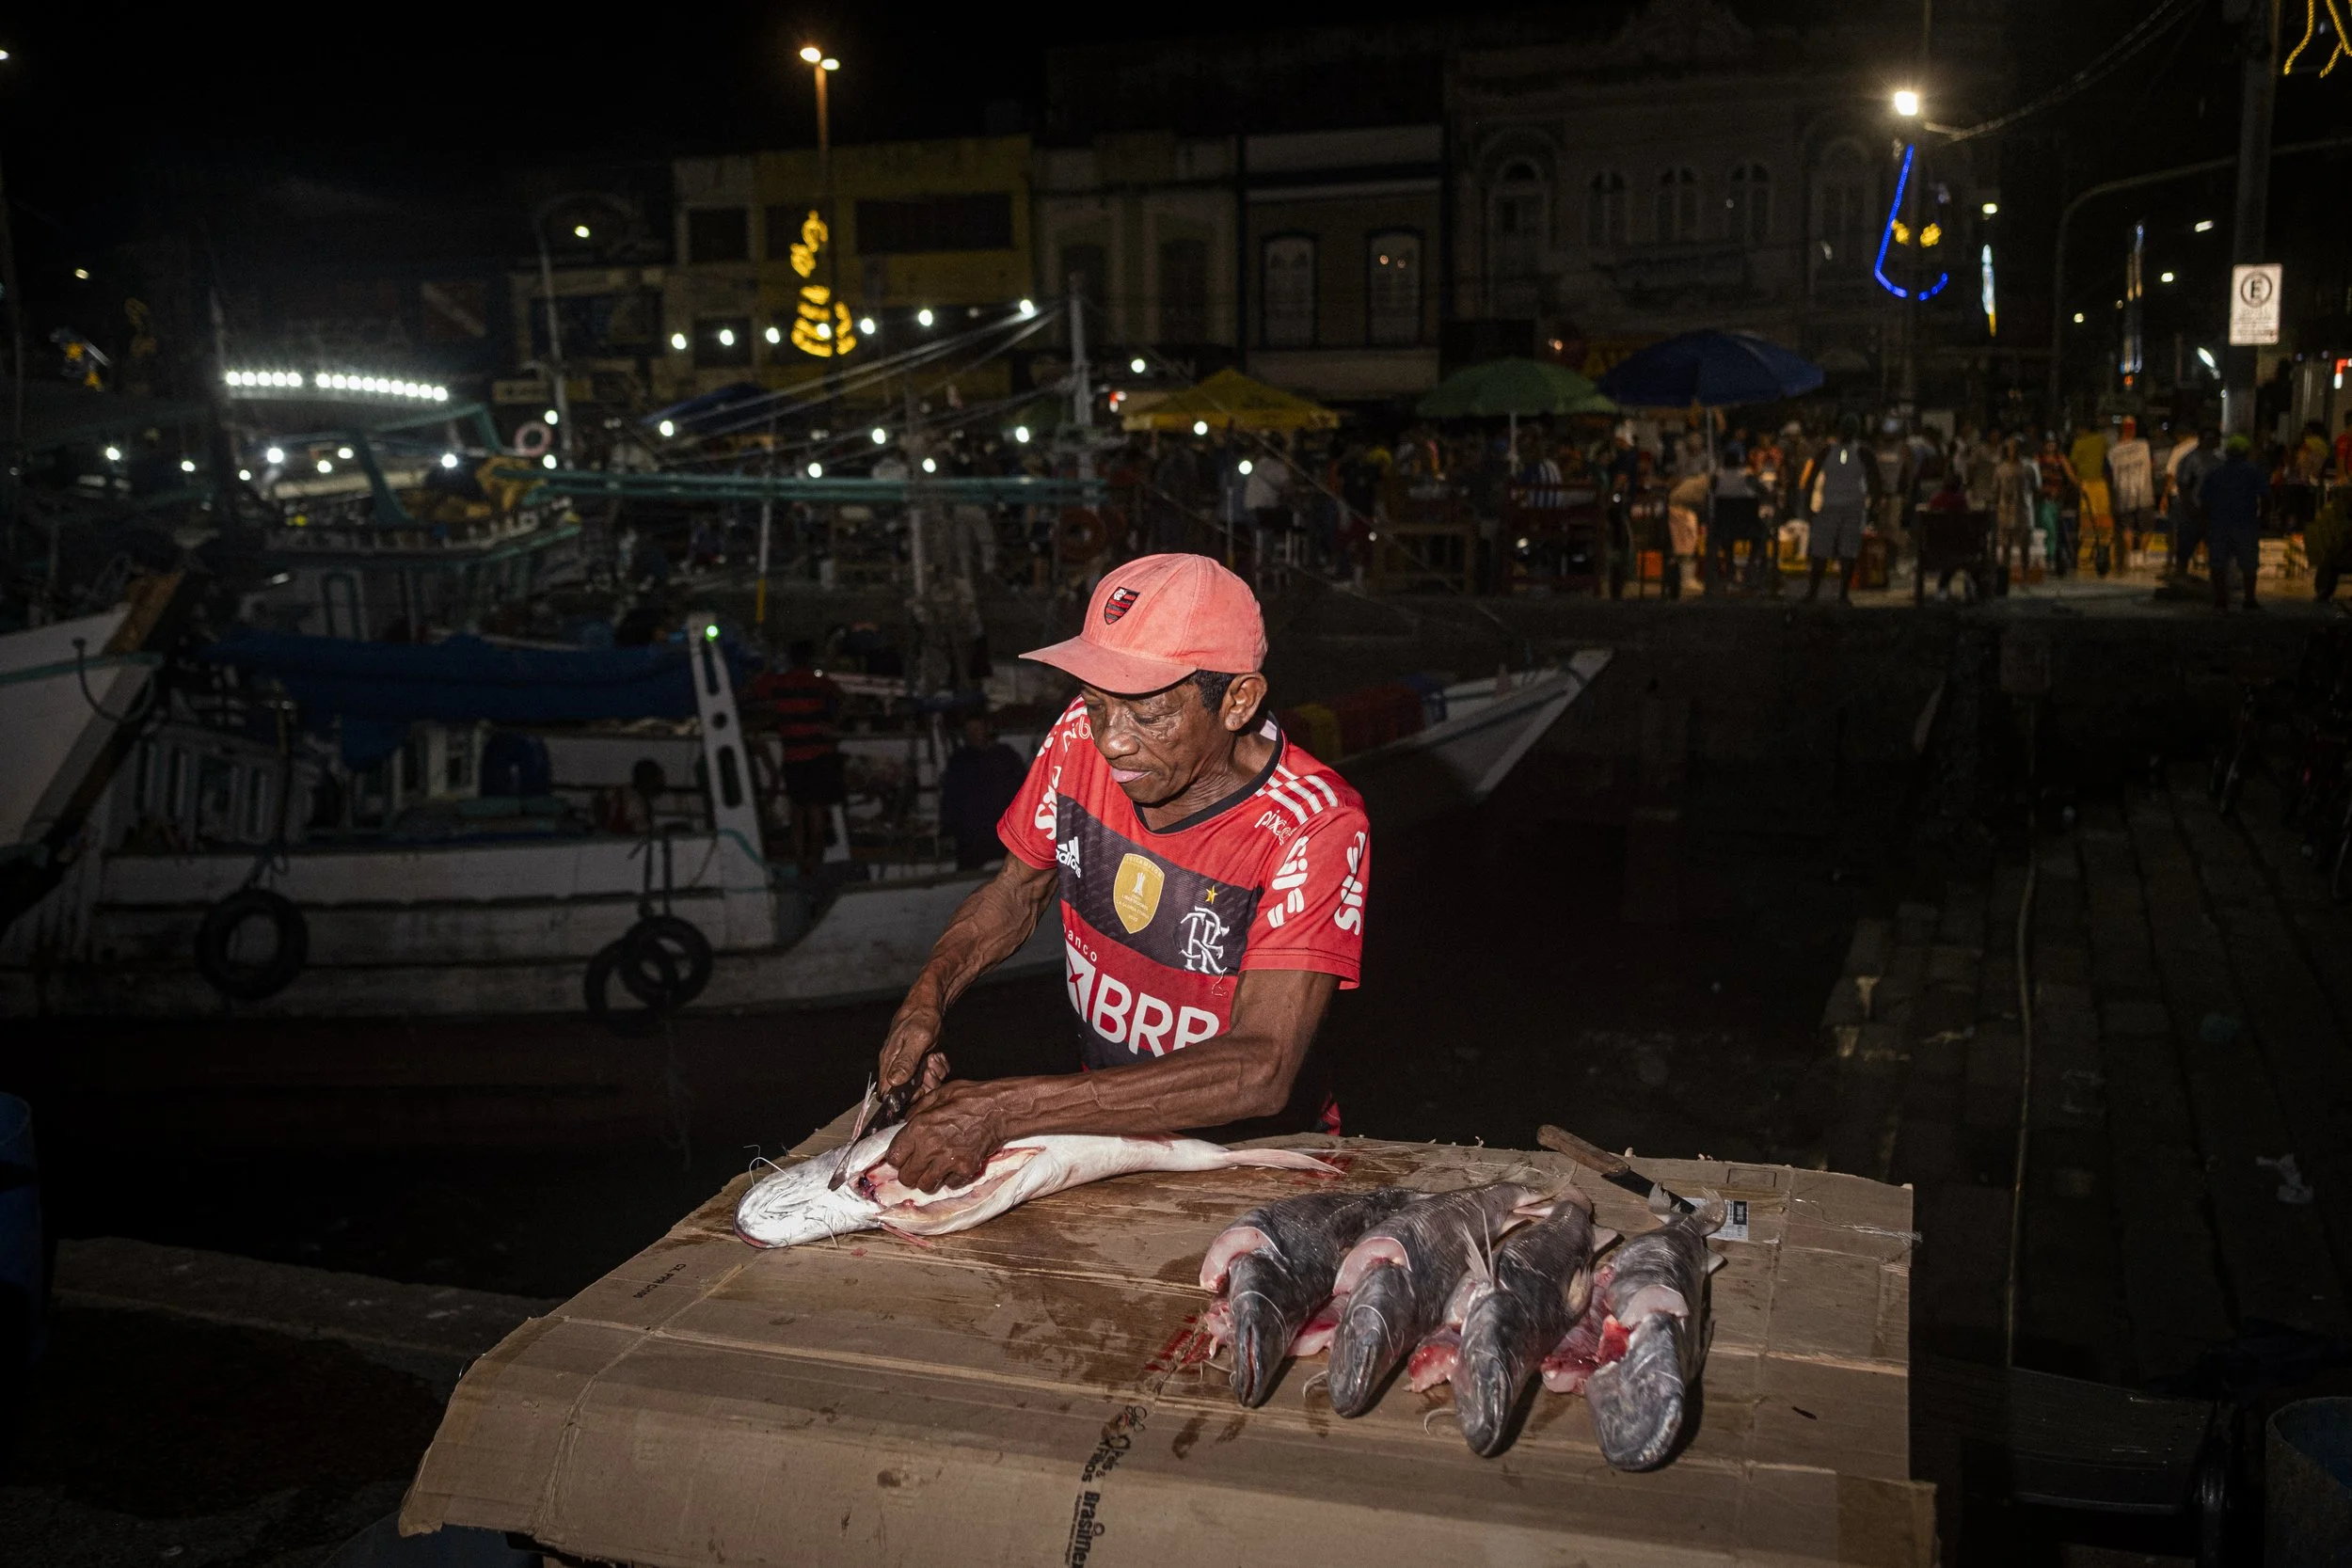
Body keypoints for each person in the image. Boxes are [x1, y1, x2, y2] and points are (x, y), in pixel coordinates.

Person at [873, 553, 1371, 1191]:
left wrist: (1006, 1109)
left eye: (1149, 711)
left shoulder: (1316, 823)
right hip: (1109, 1138)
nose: (1113, 740)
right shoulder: (1079, 738)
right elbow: (1013, 894)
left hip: (1253, 1163)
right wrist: (926, 999)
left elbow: (1261, 1067)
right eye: (1097, 702)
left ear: (1239, 700)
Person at [745, 640, 846, 873]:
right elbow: (845, 698)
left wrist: (766, 667)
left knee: (798, 813)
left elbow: (747, 691)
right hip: (820, 754)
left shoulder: (777, 682)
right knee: (817, 812)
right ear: (810, 658)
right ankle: (816, 861)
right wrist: (833, 725)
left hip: (794, 756)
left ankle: (800, 862)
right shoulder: (818, 682)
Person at [1802, 412, 1880, 603]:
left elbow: (1811, 480)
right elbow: (1875, 481)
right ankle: (1838, 594)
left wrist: (1808, 507)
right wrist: (1873, 506)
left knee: (1828, 550)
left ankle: (1819, 593)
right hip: (1850, 507)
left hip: (1835, 507)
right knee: (1844, 551)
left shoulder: (1829, 451)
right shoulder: (1861, 452)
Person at [938, 715, 1029, 871]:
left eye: (977, 729)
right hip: (971, 836)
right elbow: (950, 798)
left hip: (1004, 834)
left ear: (988, 729)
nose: (973, 734)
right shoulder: (960, 760)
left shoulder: (1006, 756)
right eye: (969, 731)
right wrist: (948, 830)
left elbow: (1024, 793)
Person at [2201, 434, 2267, 611]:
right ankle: (2249, 599)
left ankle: (2221, 600)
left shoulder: (2215, 472)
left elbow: (2204, 500)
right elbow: (2266, 495)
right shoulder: (2253, 472)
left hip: (2219, 523)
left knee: (2218, 563)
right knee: (2249, 564)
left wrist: (2206, 523)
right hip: (2246, 523)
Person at [2168, 427, 2220, 581]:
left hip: (2211, 512)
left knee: (2216, 549)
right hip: (2193, 511)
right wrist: (2190, 508)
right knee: (2185, 548)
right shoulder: (2190, 459)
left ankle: (2215, 580)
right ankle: (2180, 577)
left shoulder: (2218, 459)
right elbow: (2183, 486)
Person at [2106, 416, 2154, 571]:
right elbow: (2152, 465)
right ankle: (2140, 558)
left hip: (2123, 494)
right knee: (2146, 527)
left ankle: (2130, 558)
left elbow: (2108, 475)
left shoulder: (2112, 451)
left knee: (2127, 527)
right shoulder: (2144, 446)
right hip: (2144, 493)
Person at [1991, 437, 2038, 586]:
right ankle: (2005, 575)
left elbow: (2034, 488)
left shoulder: (2028, 468)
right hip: (2005, 511)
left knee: (2024, 545)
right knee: (2006, 545)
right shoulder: (2001, 469)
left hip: (2022, 510)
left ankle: (2024, 574)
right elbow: (1995, 491)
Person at [2035, 436, 2080, 576]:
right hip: (2043, 500)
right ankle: (2048, 558)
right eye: (2048, 443)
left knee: (2054, 529)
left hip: (2057, 501)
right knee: (2047, 528)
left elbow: (2071, 476)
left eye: (2052, 443)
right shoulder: (2038, 459)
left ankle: (2052, 559)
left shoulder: (2060, 459)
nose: (2050, 446)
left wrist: (2080, 486)